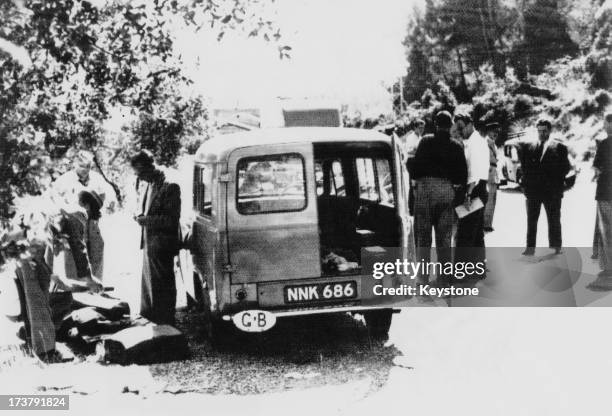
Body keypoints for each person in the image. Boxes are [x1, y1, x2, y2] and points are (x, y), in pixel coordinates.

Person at [412, 111, 468, 285]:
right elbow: (462, 177)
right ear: (450, 124)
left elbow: (415, 169)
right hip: (446, 192)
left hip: (425, 191)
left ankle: (422, 280)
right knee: (444, 238)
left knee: (423, 237)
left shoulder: (425, 141)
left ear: (435, 124)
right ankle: (444, 279)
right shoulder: (457, 146)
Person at [130, 150, 181, 325]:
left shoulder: (170, 186)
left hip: (162, 244)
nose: (140, 178)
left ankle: (166, 322)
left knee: (163, 285)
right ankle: (150, 317)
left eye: (141, 173)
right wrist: (138, 216)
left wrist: (146, 221)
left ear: (150, 167)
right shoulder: (147, 184)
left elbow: (171, 220)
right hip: (149, 242)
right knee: (149, 285)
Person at [48, 151, 115, 281]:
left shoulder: (96, 178)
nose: (85, 170)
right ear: (75, 164)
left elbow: (109, 195)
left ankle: (96, 285)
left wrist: (109, 205)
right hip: (74, 221)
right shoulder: (64, 180)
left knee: (97, 250)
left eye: (88, 166)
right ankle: (78, 288)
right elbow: (53, 199)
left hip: (93, 221)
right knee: (74, 254)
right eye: (82, 166)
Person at [517, 119, 571, 255]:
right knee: (531, 220)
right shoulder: (529, 147)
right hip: (533, 191)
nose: (541, 134)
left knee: (554, 219)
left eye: (544, 131)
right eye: (539, 131)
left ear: (549, 131)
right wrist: (525, 186)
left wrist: (555, 182)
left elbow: (565, 168)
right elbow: (524, 168)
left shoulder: (559, 148)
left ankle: (556, 246)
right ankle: (530, 248)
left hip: (552, 192)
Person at [454, 112, 489, 271]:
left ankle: (463, 272)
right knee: (476, 233)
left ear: (470, 124)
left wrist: (468, 195)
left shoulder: (475, 143)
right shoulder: (474, 141)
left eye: (461, 127)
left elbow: (474, 173)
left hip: (474, 190)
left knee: (466, 233)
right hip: (478, 189)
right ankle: (478, 269)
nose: (460, 131)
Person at [593, 113, 612, 277]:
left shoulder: (605, 144)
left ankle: (608, 267)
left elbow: (597, 167)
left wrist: (598, 173)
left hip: (606, 193)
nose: (603, 126)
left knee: (606, 228)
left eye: (605, 124)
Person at [484, 122, 501, 232]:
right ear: (488, 131)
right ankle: (485, 223)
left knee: (493, 199)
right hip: (487, 171)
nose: (495, 134)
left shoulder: (493, 144)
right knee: (488, 199)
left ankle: (489, 223)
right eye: (493, 131)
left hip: (493, 172)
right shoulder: (485, 143)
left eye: (497, 132)